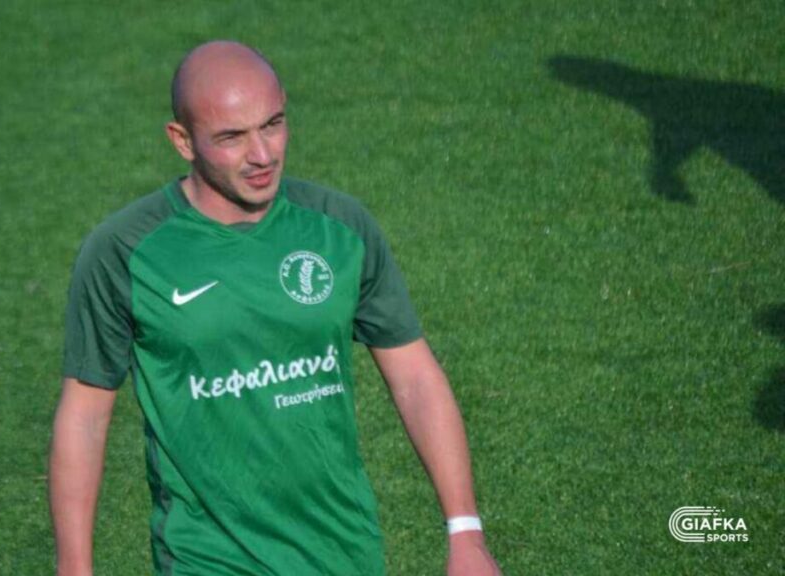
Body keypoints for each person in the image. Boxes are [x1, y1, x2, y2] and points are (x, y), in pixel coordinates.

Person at [49, 40, 501, 576]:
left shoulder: (339, 227)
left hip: (344, 551)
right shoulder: (125, 250)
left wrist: (465, 533)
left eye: (273, 124)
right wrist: (74, 568)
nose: (262, 155)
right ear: (182, 140)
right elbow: (86, 413)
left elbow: (415, 377)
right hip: (207, 558)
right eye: (232, 137)